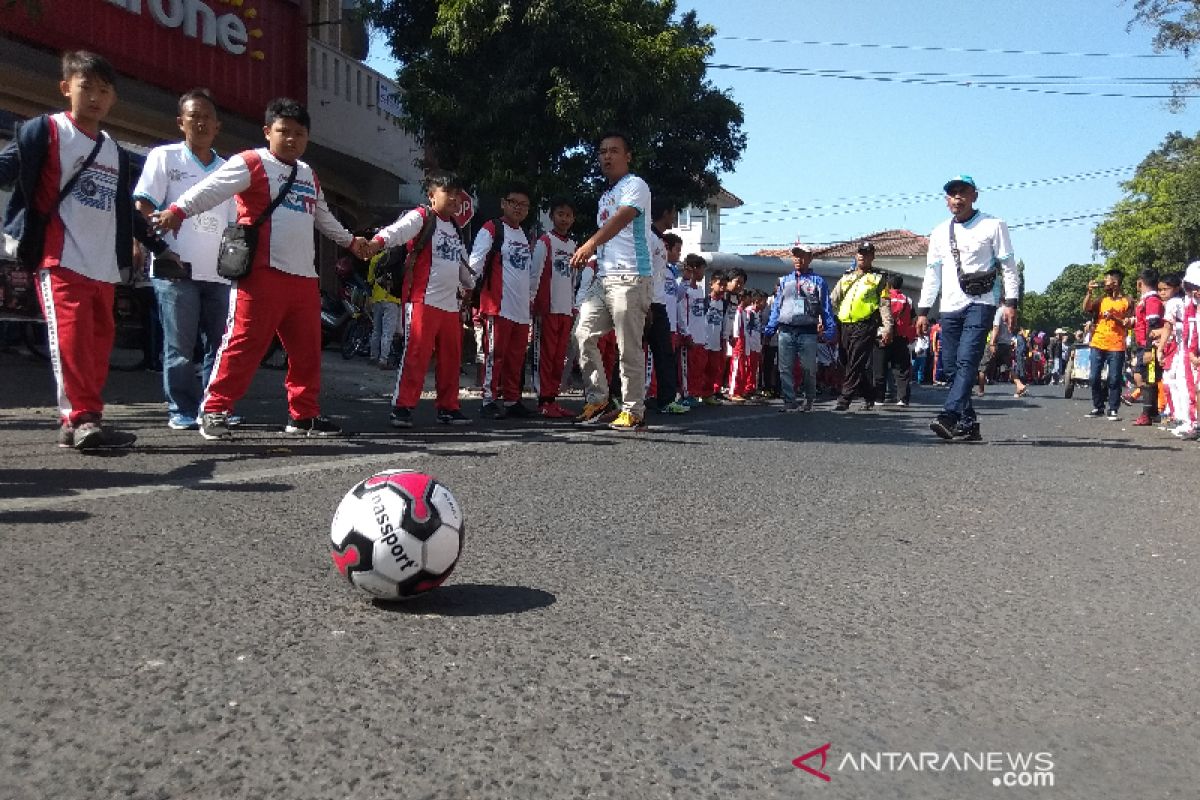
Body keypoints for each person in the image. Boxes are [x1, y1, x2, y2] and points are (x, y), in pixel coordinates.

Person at [154, 98, 370, 439]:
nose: (292, 139)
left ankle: (304, 416)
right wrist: (178, 211)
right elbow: (211, 189)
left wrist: (351, 243)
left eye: (300, 134)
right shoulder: (251, 162)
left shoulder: (307, 174)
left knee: (306, 352)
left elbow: (322, 216)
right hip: (260, 274)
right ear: (268, 131)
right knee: (242, 344)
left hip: (303, 280)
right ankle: (214, 410)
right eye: (284, 131)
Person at [0, 51, 173, 450]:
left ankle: (84, 420)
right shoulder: (44, 131)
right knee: (72, 343)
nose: (95, 97)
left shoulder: (113, 148)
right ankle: (80, 419)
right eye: (87, 87)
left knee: (97, 345)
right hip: (60, 257)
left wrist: (159, 248)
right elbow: (6, 168)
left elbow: (125, 211)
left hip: (103, 268)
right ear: (66, 88)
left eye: (104, 90)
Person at [133, 88, 238, 431]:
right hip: (175, 269)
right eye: (194, 116)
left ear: (218, 125)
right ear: (181, 122)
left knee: (220, 345)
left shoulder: (229, 170)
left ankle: (215, 406)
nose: (201, 122)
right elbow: (144, 206)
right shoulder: (164, 158)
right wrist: (152, 245)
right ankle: (182, 408)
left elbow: (238, 222)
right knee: (179, 345)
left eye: (208, 117)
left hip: (220, 273)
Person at [916, 175, 1020, 441]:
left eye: (963, 192)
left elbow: (1008, 267)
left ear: (975, 195)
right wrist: (923, 310)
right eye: (952, 193)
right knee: (950, 366)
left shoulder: (993, 225)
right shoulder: (939, 232)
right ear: (946, 200)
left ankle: (949, 415)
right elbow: (932, 274)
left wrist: (1011, 303)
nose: (957, 198)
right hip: (950, 306)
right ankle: (969, 423)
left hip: (981, 303)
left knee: (967, 360)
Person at [367, 173, 474, 427]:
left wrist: (470, 284)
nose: (454, 198)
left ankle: (448, 407)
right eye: (447, 192)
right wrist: (375, 243)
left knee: (451, 358)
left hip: (450, 305)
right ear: (431, 195)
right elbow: (397, 232)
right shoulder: (422, 217)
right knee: (416, 355)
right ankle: (402, 407)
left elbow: (462, 264)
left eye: (457, 193)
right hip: (422, 301)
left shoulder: (456, 229)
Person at [569, 132, 654, 431]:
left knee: (627, 347)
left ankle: (633, 410)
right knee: (582, 334)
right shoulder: (604, 196)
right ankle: (599, 399)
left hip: (631, 277)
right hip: (604, 278)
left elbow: (622, 218)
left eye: (614, 151)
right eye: (603, 151)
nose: (607, 156)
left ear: (627, 156)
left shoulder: (635, 185)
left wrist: (589, 244)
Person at [471, 185, 534, 419]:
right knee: (494, 355)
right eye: (513, 202)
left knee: (516, 358)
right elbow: (476, 262)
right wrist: (464, 290)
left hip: (520, 309)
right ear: (503, 204)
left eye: (523, 204)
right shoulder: (492, 229)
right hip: (498, 305)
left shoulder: (525, 235)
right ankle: (488, 400)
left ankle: (511, 399)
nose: (518, 207)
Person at [763, 245, 835, 412]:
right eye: (795, 256)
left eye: (802, 256)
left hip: (808, 331)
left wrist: (830, 331)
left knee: (808, 368)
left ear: (810, 258)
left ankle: (809, 399)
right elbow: (776, 308)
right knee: (785, 367)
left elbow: (826, 308)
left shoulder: (818, 281)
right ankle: (789, 401)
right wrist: (770, 329)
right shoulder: (784, 281)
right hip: (786, 330)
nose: (797, 259)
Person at [529, 196, 578, 418]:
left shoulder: (574, 246)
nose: (564, 219)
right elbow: (535, 274)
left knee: (560, 357)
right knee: (545, 356)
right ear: (552, 216)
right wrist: (532, 301)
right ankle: (543, 400)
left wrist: (574, 305)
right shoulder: (544, 242)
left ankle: (552, 398)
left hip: (565, 310)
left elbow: (574, 278)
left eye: (568, 215)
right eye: (560, 214)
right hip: (547, 308)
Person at [830, 241, 892, 411]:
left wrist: (887, 327)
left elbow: (885, 304)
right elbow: (833, 299)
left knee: (855, 361)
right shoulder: (846, 276)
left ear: (872, 256)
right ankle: (869, 394)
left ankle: (844, 398)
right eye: (860, 253)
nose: (862, 256)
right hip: (844, 324)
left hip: (865, 325)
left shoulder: (879, 278)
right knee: (846, 360)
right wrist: (826, 319)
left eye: (866, 253)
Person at [645, 202, 688, 414]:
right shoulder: (647, 237)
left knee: (664, 353)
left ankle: (666, 399)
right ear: (665, 212)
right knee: (632, 352)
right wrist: (646, 304)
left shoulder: (660, 240)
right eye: (674, 212)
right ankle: (619, 396)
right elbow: (644, 273)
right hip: (646, 303)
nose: (675, 217)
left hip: (659, 303)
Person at [1081, 268, 1130, 420]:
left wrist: (1114, 318)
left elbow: (1129, 323)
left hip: (1116, 345)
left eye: (1107, 280)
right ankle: (1098, 407)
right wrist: (1089, 292)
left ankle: (1113, 408)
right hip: (1098, 342)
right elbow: (1086, 308)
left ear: (1115, 283)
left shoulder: (1127, 301)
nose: (1105, 283)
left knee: (1114, 378)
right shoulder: (1101, 300)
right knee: (1094, 377)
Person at [1129, 269, 1164, 426]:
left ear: (1140, 282)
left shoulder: (1152, 300)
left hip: (1149, 345)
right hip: (1142, 344)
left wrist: (1150, 349)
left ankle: (1147, 414)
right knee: (1140, 377)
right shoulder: (1145, 300)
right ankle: (1153, 412)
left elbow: (1153, 325)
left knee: (1147, 379)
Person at [874, 273, 915, 406]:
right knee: (902, 371)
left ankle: (878, 398)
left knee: (880, 369)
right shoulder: (907, 299)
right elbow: (912, 318)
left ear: (888, 285)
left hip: (883, 336)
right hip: (901, 338)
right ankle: (902, 398)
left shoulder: (883, 297)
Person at [365, 246, 403, 368]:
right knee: (388, 332)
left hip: (377, 298)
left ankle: (373, 357)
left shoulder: (376, 259)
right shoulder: (400, 261)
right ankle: (383, 360)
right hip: (392, 299)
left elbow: (370, 280)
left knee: (376, 330)